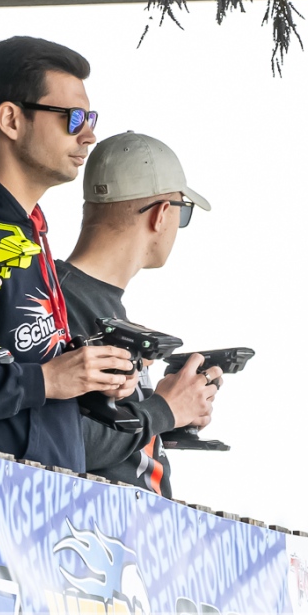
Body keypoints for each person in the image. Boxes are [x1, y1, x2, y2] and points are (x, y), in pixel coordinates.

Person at [0, 36, 134, 472]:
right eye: (73, 118)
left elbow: (22, 360)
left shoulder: (26, 223)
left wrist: (91, 375)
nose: (89, 135)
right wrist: (47, 380)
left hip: (45, 496)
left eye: (91, 118)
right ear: (11, 119)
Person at [61, 132, 222, 497]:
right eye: (183, 212)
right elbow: (55, 438)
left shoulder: (89, 303)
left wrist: (172, 414)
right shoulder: (50, 300)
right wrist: (164, 409)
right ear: (162, 214)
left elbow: (102, 428)